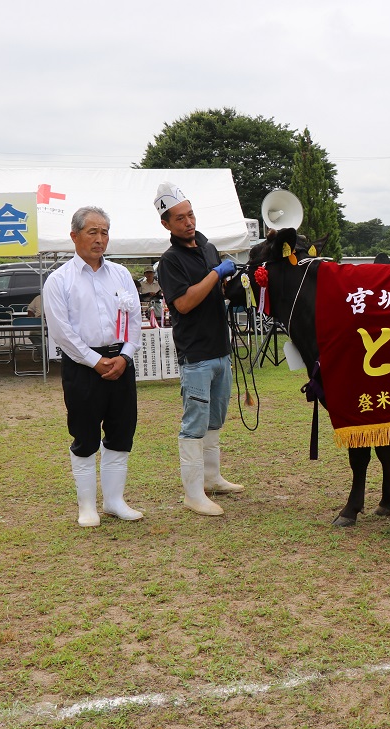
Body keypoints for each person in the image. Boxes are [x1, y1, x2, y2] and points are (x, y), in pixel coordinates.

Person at [44, 206, 143, 527]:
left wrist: (124, 356)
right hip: (82, 367)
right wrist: (95, 361)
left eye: (104, 232)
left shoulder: (121, 274)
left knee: (121, 432)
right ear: (74, 236)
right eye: (93, 232)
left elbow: (134, 321)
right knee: (85, 435)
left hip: (120, 363)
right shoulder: (59, 280)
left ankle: (114, 501)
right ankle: (87, 506)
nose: (100, 239)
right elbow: (62, 332)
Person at [155, 182, 243, 517]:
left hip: (221, 348)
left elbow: (214, 290)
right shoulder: (169, 262)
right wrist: (215, 273)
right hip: (196, 354)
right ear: (167, 224)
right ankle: (193, 493)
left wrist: (229, 284)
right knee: (194, 421)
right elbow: (186, 302)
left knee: (215, 419)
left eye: (190, 214)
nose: (188, 222)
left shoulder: (207, 246)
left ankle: (211, 477)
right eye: (180, 218)